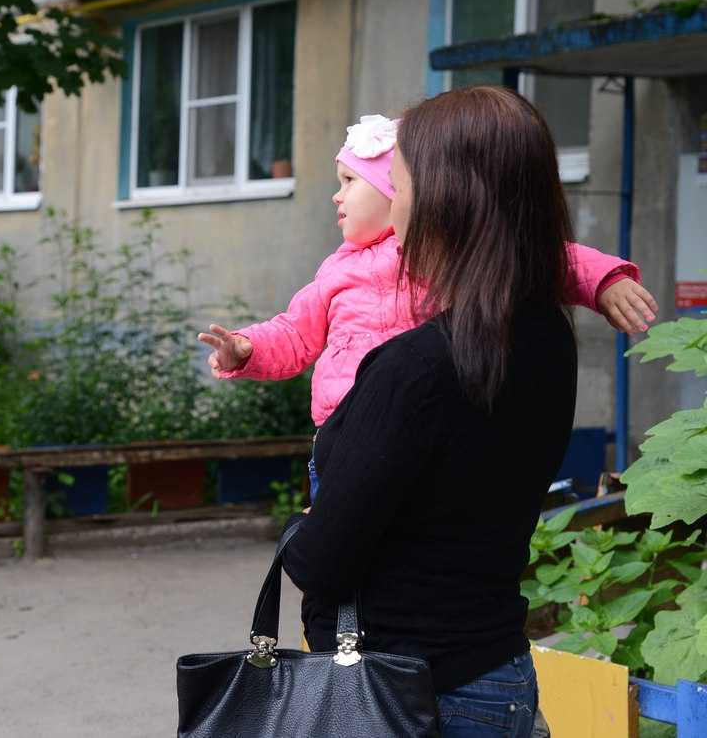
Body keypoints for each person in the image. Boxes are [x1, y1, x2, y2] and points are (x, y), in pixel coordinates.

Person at [277, 85, 588, 735]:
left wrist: (304, 529)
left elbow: (322, 559)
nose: (394, 206)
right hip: (498, 674)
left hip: (409, 696)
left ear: (447, 197)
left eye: (399, 182)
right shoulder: (546, 336)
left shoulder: (418, 368)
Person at [198, 113, 656, 502]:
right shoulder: (334, 272)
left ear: (395, 188)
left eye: (349, 182)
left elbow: (539, 257)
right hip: (344, 440)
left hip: (426, 431)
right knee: (339, 554)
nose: (336, 196)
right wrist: (247, 348)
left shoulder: (439, 251)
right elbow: (296, 333)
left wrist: (604, 280)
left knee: (403, 546)